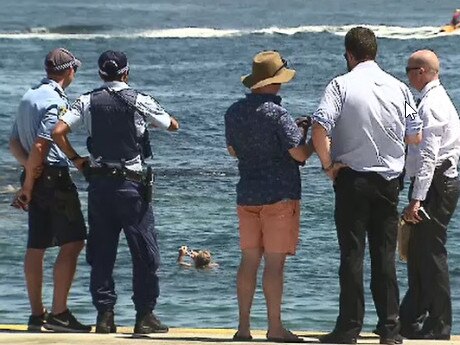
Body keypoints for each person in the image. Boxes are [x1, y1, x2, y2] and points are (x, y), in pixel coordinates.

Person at [51, 50, 179, 334]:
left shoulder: (86, 100)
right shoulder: (139, 99)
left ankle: (105, 316)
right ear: (126, 72)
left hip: (99, 185)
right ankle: (144, 315)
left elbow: (58, 131)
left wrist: (77, 159)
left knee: (101, 252)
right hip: (131, 185)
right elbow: (172, 126)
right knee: (144, 252)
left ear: (100, 74)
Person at [311, 27, 423, 345]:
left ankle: (348, 329)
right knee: (384, 257)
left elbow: (320, 127)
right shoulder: (398, 88)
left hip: (353, 180)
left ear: (349, 55)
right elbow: (415, 134)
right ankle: (390, 329)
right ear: (375, 52)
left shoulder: (340, 85)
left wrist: (328, 164)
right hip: (389, 181)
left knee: (352, 255)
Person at [225, 50, 312, 343]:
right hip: (279, 196)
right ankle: (275, 327)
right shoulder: (278, 114)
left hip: (247, 193)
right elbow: (298, 154)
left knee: (248, 260)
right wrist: (311, 142)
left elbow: (233, 151)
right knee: (274, 264)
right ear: (276, 82)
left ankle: (243, 328)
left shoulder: (234, 112)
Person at [8, 48, 91, 333]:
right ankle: (59, 313)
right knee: (75, 241)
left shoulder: (28, 96)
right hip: (53, 178)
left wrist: (29, 172)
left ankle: (36, 314)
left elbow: (14, 144)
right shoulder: (55, 101)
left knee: (36, 245)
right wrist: (30, 183)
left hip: (35, 174)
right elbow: (42, 145)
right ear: (70, 71)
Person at [399, 50, 460, 340]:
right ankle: (411, 318)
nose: (407, 74)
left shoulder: (431, 105)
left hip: (436, 185)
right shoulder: (434, 100)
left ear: (422, 71)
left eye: (409, 69)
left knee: (431, 254)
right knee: (419, 253)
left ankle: (439, 324)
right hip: (436, 184)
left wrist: (417, 198)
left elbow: (428, 157)